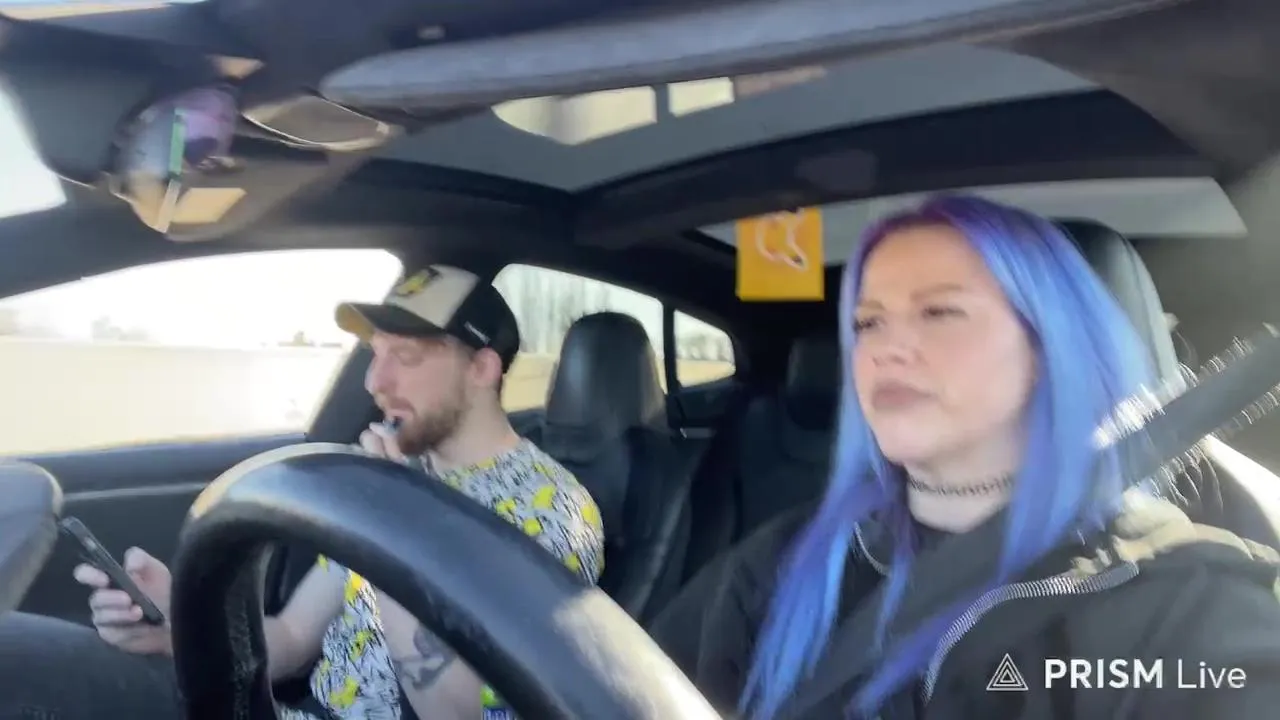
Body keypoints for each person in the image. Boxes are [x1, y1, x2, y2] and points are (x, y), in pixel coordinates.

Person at [649, 195, 1280, 719]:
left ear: (1049, 347)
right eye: (868, 323)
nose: (887, 348)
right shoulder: (780, 568)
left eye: (939, 311)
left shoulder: (1182, 603)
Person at [0, 264, 605, 720]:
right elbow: (289, 641)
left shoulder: (549, 510)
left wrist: (393, 522)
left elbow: (455, 711)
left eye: (407, 356)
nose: (376, 381)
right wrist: (176, 627)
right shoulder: (400, 474)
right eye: (376, 354)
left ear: (482, 369)